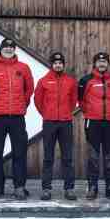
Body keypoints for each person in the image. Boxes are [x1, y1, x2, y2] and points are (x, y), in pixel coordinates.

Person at [0, 38, 34, 200]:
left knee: (19, 152)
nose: (8, 49)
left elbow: (29, 90)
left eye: (11, 47)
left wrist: (22, 106)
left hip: (17, 117)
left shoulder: (23, 68)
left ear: (14, 50)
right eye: (5, 47)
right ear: (0, 49)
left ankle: (19, 186)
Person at [35, 52, 78, 201]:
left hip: (65, 122)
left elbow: (73, 101)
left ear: (63, 65)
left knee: (67, 157)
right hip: (49, 122)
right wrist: (47, 113)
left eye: (60, 63)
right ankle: (46, 189)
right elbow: (38, 101)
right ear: (51, 65)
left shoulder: (70, 81)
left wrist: (66, 113)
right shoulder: (43, 81)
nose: (58, 65)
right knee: (48, 157)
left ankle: (69, 188)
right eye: (55, 63)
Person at [78, 52, 110, 200]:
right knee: (93, 156)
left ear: (108, 64)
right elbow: (81, 101)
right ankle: (92, 186)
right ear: (94, 64)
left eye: (104, 62)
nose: (102, 64)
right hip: (93, 122)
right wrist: (89, 112)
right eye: (99, 61)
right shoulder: (86, 80)